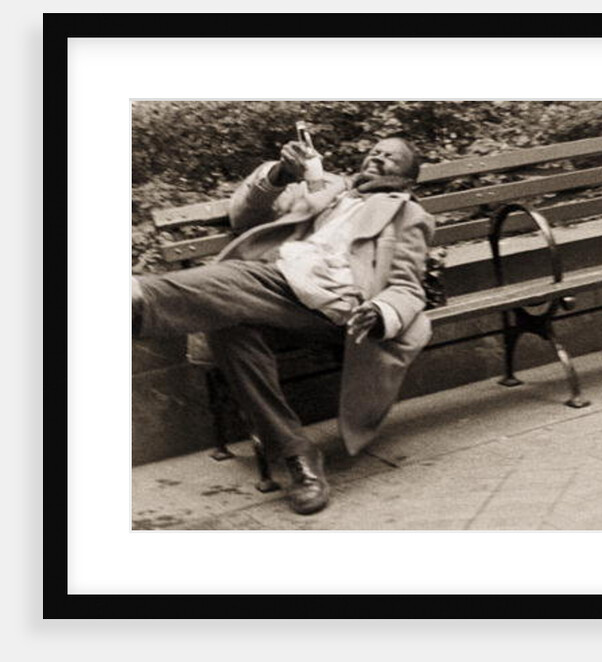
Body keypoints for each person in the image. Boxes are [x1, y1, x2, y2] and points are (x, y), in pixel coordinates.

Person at [132, 136, 435, 515]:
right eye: (375, 152)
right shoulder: (327, 188)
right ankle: (298, 455)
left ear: (409, 179)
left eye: (392, 157)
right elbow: (244, 215)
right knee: (230, 326)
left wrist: (380, 311)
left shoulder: (407, 214)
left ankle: (134, 299)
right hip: (283, 291)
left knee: (240, 278)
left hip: (337, 311)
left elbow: (408, 287)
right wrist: (280, 173)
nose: (378, 157)